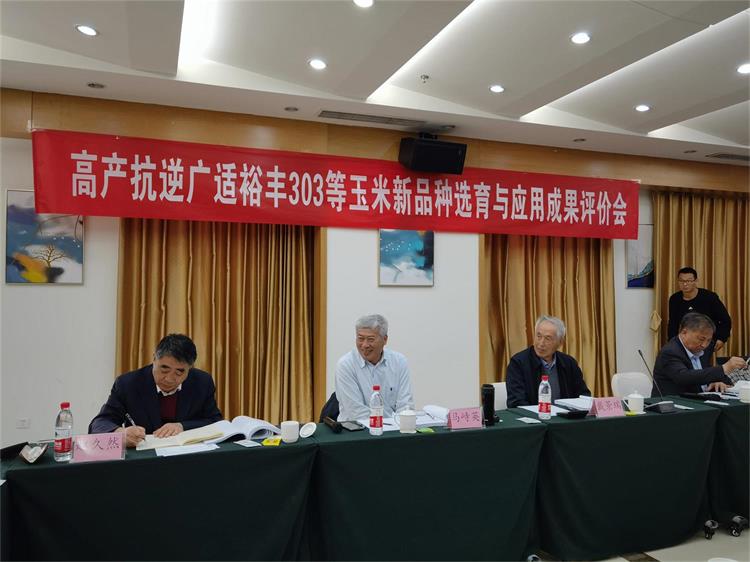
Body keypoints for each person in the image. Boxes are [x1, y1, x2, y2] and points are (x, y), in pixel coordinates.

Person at [89, 334, 223, 447]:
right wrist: (120, 432)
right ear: (154, 359)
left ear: (190, 368)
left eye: (179, 372)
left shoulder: (202, 382)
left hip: (188, 457)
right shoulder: (128, 384)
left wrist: (182, 426)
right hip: (144, 459)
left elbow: (216, 421)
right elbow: (99, 424)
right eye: (164, 369)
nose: (169, 379)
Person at [335, 314, 414, 422]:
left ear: (385, 339)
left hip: (394, 428)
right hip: (358, 428)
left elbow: (405, 405)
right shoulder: (345, 365)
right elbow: (356, 413)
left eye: (370, 339)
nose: (365, 345)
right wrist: (385, 427)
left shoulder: (399, 362)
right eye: (360, 338)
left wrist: (402, 425)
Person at [506, 315, 591, 408]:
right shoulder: (518, 363)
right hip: (535, 416)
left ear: (560, 342)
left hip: (565, 415)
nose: (541, 343)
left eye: (548, 338)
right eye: (538, 336)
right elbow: (516, 402)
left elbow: (583, 395)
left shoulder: (569, 363)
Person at [654, 312, 745, 395]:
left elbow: (704, 373)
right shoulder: (670, 352)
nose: (704, 345)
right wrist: (724, 368)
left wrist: (719, 382)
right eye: (701, 339)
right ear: (684, 332)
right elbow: (684, 377)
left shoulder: (704, 349)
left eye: (708, 340)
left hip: (701, 400)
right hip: (674, 403)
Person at [667, 267, 731, 360]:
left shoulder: (709, 297)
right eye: (681, 281)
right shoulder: (674, 299)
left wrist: (721, 338)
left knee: (700, 367)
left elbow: (725, 319)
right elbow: (673, 323)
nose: (685, 284)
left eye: (689, 281)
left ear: (696, 281)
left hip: (704, 341)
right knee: (681, 365)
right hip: (684, 342)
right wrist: (672, 342)